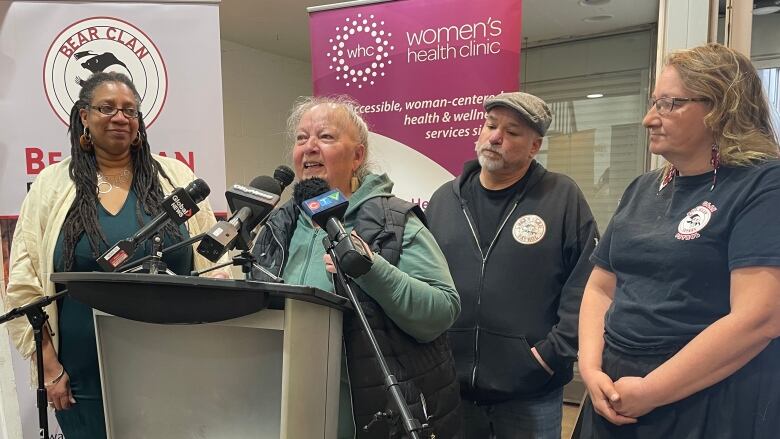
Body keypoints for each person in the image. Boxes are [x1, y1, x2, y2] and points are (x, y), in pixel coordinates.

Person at [5, 72, 228, 438]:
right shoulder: (53, 185)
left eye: (130, 110)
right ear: (83, 116)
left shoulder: (174, 177)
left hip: (177, 364)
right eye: (106, 108)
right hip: (83, 375)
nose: (120, 118)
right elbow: (25, 284)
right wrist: (49, 368)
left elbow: (210, 257)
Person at [578, 43, 780, 438]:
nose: (648, 118)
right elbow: (601, 287)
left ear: (722, 108)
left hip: (705, 395)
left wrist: (652, 391)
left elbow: (759, 318)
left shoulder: (763, 184)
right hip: (616, 390)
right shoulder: (643, 187)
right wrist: (589, 367)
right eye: (655, 102)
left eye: (670, 104)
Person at [250, 96, 462, 438]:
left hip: (370, 419)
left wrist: (371, 270)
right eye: (302, 138)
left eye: (326, 137)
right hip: (285, 412)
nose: (309, 148)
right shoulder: (279, 226)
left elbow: (441, 311)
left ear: (358, 156)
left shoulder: (394, 220)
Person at [426, 91, 599, 438]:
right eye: (490, 125)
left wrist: (550, 355)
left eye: (512, 132)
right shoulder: (445, 199)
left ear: (534, 146)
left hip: (530, 392)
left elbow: (587, 284)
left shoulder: (561, 197)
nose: (495, 137)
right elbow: (423, 278)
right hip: (452, 390)